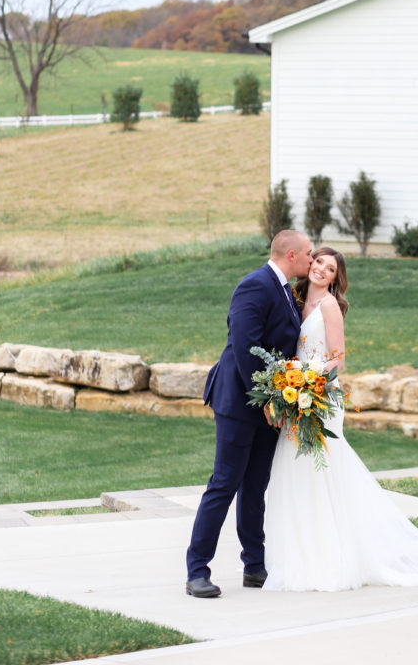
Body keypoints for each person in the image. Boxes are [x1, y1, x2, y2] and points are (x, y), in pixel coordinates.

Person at [262, 246, 418, 591]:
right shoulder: (297, 302)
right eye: (320, 263)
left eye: (330, 269)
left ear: (335, 278)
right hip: (295, 397)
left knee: (321, 473)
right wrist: (289, 390)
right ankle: (299, 555)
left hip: (319, 398)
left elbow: (338, 360)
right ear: (309, 264)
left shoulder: (328, 306)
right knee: (297, 474)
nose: (322, 270)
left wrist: (310, 387)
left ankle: (330, 559)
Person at [185, 229, 313, 597]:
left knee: (256, 487)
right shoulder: (254, 286)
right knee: (224, 483)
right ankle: (197, 571)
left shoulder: (287, 290)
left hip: (269, 406)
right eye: (307, 254)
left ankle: (254, 567)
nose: (311, 259)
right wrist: (267, 400)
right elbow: (246, 349)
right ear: (291, 255)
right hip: (239, 402)